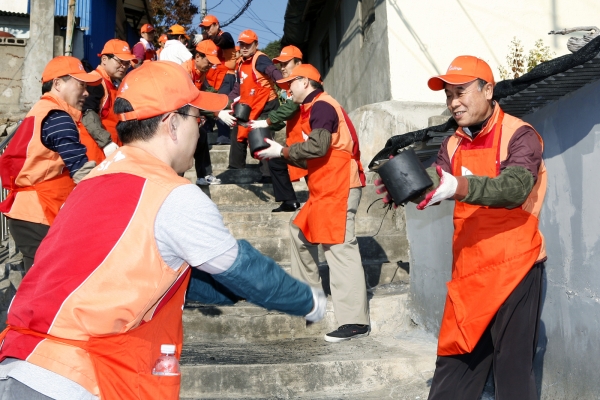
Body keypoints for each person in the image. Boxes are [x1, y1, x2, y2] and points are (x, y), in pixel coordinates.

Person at [0, 61, 327, 400]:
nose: (200, 132)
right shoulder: (171, 194)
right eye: (198, 120)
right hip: (75, 379)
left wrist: (234, 288)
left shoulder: (90, 184)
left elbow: (157, 275)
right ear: (172, 124)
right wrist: (310, 301)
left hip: (20, 363)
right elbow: (243, 268)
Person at [375, 56, 546, 400]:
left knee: (511, 374)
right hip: (469, 273)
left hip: (515, 268)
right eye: (449, 95)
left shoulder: (519, 134)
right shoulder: (451, 144)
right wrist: (408, 189)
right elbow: (439, 184)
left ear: (488, 89)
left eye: (462, 92)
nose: (454, 102)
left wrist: (460, 188)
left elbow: (515, 188)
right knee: (452, 372)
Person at [257, 64, 369, 343]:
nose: (286, 90)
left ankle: (355, 322)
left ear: (305, 82)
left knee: (340, 247)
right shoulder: (315, 107)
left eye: (290, 84)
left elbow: (319, 148)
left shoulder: (322, 106)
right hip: (326, 186)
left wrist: (280, 151)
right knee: (299, 231)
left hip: (340, 184)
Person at [0, 56, 102, 273]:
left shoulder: (42, 110)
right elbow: (81, 170)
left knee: (36, 286)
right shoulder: (59, 117)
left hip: (30, 212)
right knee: (43, 289)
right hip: (39, 213)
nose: (86, 92)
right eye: (81, 84)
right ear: (58, 83)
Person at [250, 45, 305, 212]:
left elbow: (290, 108)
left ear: (298, 63)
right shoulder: (290, 86)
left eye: (286, 63)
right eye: (280, 64)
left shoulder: (304, 81)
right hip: (298, 141)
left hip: (311, 141)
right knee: (275, 160)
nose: (282, 68)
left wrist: (265, 122)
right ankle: (289, 201)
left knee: (315, 178)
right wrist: (260, 126)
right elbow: (286, 116)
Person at [228, 29, 282, 183]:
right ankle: (235, 168)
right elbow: (237, 87)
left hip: (267, 104)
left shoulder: (260, 59)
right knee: (237, 130)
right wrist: (227, 102)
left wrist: (285, 86)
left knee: (261, 136)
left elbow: (272, 72)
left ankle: (268, 174)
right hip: (248, 103)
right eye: (242, 44)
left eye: (248, 44)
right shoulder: (239, 63)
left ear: (256, 44)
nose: (244, 47)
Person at [182, 39, 235, 185]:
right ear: (197, 56)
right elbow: (191, 100)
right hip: (178, 115)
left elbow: (206, 91)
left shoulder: (201, 71)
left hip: (189, 114)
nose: (211, 64)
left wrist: (225, 102)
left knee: (202, 135)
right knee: (182, 148)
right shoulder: (185, 72)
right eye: (208, 60)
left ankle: (203, 175)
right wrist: (217, 113)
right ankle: (177, 178)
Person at [82, 39, 137, 151]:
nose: (124, 66)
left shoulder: (116, 84)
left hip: (112, 148)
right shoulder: (95, 81)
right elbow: (87, 114)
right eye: (120, 61)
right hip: (98, 149)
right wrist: (106, 144)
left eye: (127, 63)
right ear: (104, 59)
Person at [199, 14, 237, 145]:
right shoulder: (209, 40)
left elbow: (221, 41)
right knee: (208, 102)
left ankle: (223, 137)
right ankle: (208, 128)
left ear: (216, 25)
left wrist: (203, 37)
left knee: (222, 104)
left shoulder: (226, 36)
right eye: (204, 28)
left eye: (208, 27)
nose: (206, 31)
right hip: (213, 76)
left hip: (226, 75)